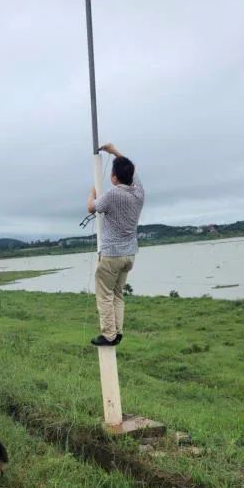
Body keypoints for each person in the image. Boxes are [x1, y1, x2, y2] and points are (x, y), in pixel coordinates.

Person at [86, 143, 145, 346]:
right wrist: (115, 152)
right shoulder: (139, 194)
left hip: (112, 255)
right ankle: (117, 332)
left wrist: (93, 190)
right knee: (118, 294)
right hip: (129, 255)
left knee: (104, 294)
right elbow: (133, 170)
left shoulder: (112, 195)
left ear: (114, 177)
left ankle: (109, 335)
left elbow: (91, 208)